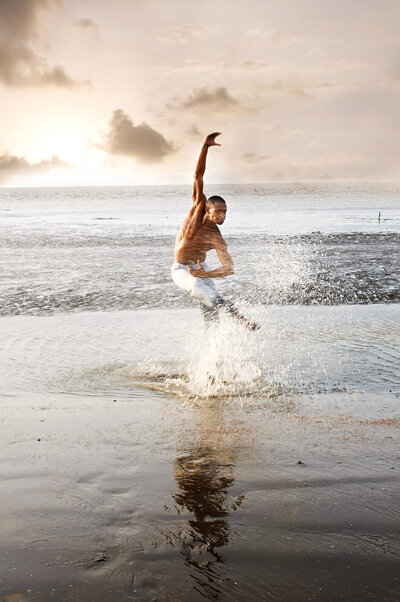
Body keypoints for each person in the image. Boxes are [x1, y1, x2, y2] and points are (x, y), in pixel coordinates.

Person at [171, 132, 259, 329]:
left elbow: (229, 268)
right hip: (181, 269)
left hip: (201, 270)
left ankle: (215, 353)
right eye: (218, 211)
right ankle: (241, 320)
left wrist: (208, 274)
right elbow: (198, 176)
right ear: (208, 210)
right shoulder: (197, 209)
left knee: (210, 303)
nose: (222, 216)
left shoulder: (216, 236)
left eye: (225, 212)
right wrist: (205, 147)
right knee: (198, 287)